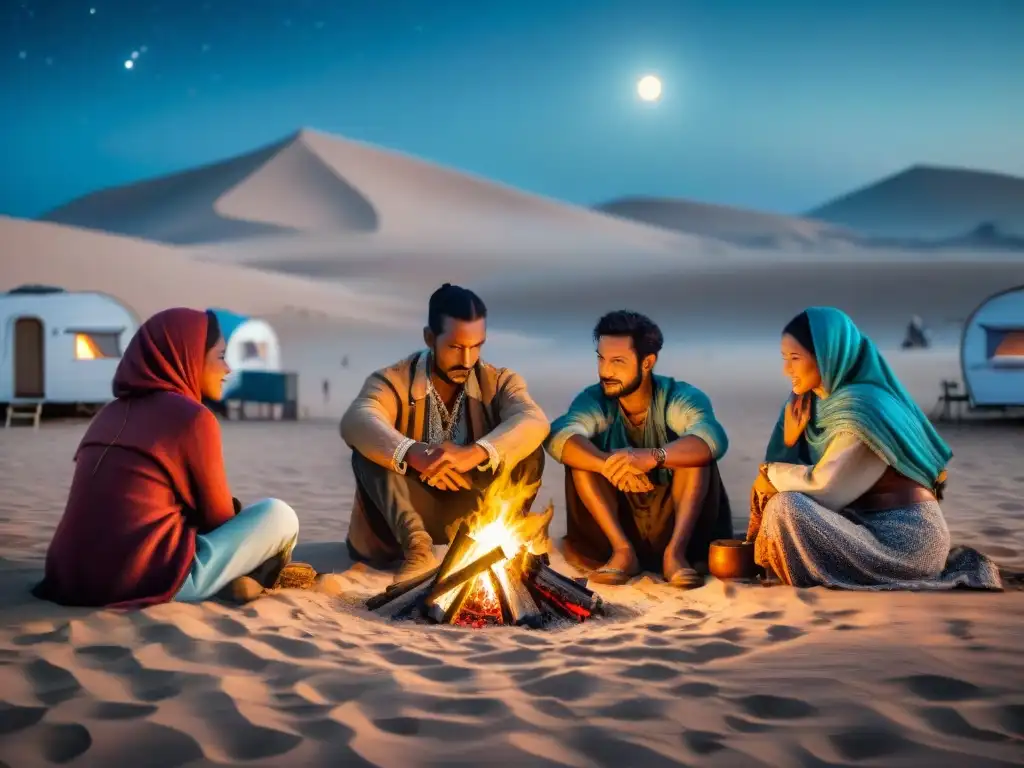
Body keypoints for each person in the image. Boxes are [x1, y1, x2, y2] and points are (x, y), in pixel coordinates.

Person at [32, 308, 306, 608]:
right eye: (220, 356)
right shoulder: (193, 419)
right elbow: (218, 520)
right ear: (188, 357)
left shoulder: (107, 414)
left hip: (69, 579)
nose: (228, 369)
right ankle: (251, 578)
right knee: (278, 514)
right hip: (142, 581)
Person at [747, 307, 1002, 590]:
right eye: (785, 359)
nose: (787, 370)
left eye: (795, 359)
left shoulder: (863, 409)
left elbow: (825, 489)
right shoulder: (816, 403)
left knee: (786, 508)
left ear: (828, 355)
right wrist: (789, 442)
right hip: (859, 524)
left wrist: (771, 474)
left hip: (906, 542)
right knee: (781, 506)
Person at [340, 283, 549, 582]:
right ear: (429, 338)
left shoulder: (499, 380)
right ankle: (418, 549)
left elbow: (534, 419)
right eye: (455, 347)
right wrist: (414, 454)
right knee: (370, 451)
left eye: (476, 346)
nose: (467, 360)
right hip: (403, 511)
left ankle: (492, 547)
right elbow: (357, 420)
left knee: (529, 451)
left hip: (471, 508)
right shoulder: (394, 379)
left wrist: (474, 454)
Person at [545, 310, 733, 588]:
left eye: (617, 362)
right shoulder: (595, 399)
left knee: (695, 457)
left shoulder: (677, 396)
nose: (605, 371)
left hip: (676, 518)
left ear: (647, 362)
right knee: (581, 457)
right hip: (617, 520)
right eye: (601, 358)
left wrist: (654, 457)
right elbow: (560, 433)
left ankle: (676, 553)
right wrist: (606, 464)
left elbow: (712, 437)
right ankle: (622, 552)